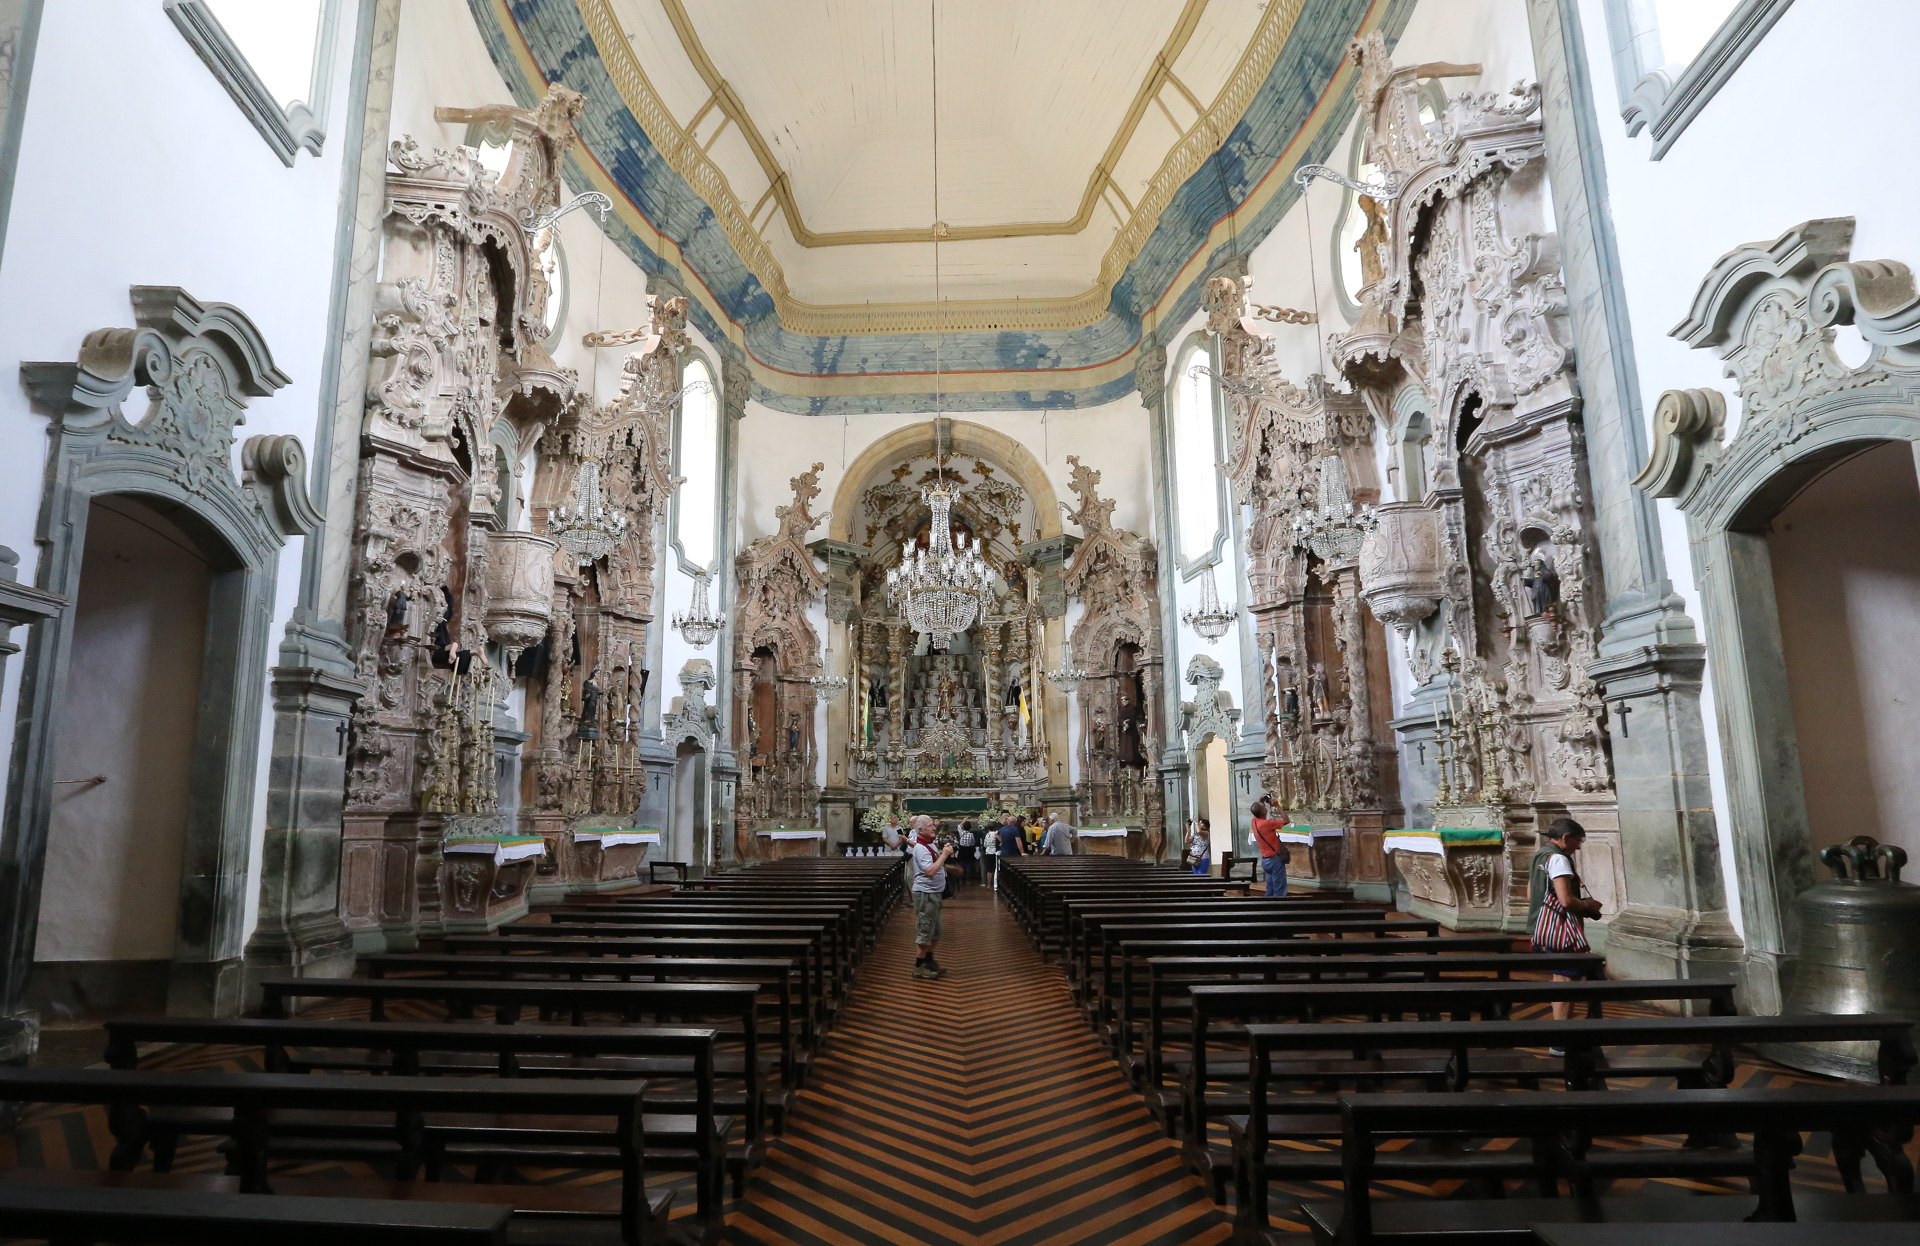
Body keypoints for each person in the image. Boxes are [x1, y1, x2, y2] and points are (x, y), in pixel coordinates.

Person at [1529, 817, 1604, 1023]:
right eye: (1578, 841)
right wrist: (1588, 906)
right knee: (1566, 980)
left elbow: (1531, 894)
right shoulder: (1559, 859)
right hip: (1560, 929)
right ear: (1565, 838)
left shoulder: (1539, 855)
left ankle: (1558, 1031)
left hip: (1542, 927)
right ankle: (1562, 1037)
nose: (1578, 847)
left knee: (1558, 978)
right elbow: (1566, 901)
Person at [909, 814, 954, 979]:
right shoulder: (920, 848)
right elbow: (929, 871)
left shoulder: (930, 845)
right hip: (925, 894)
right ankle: (918, 967)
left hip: (934, 893)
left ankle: (929, 960)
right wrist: (944, 855)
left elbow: (935, 865)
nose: (934, 827)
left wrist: (946, 864)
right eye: (930, 826)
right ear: (920, 830)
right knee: (925, 930)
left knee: (935, 930)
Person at [1249, 799, 1290, 898]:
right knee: (1279, 890)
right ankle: (1278, 911)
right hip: (1274, 859)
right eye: (1264, 807)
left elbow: (1257, 811)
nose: (1266, 808)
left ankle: (1267, 909)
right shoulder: (1266, 824)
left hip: (1265, 860)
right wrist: (1277, 805)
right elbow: (1286, 820)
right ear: (1263, 812)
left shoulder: (1254, 822)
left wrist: (1261, 801)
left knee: (1270, 889)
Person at [957, 819, 978, 885]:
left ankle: (960, 880)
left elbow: (959, 826)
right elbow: (973, 842)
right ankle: (968, 880)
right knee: (968, 865)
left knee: (961, 865)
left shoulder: (961, 833)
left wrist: (963, 820)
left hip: (962, 850)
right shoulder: (971, 834)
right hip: (969, 850)